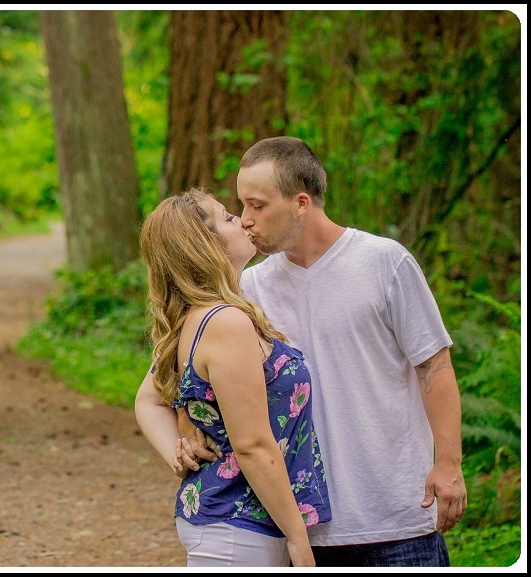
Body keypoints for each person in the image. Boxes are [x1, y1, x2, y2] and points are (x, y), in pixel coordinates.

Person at [143, 136, 466, 567]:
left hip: (395, 518)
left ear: (300, 202)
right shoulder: (245, 290)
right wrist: (185, 426)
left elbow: (436, 368)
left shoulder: (384, 263)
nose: (246, 220)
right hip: (298, 527)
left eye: (257, 206)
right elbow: (175, 380)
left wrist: (448, 463)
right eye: (240, 206)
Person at [135, 189, 331, 566]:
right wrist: (297, 539)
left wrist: (177, 452)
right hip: (239, 527)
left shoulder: (199, 316)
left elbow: (147, 401)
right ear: (203, 245)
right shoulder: (225, 322)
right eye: (227, 218)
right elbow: (252, 444)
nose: (242, 221)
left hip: (230, 522)